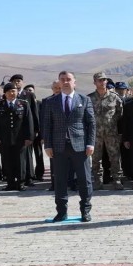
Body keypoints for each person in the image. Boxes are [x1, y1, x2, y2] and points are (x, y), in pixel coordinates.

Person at [42, 71, 96, 222]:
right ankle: (61, 212)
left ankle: (85, 210)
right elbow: (47, 125)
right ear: (59, 82)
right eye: (62, 80)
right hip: (59, 147)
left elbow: (91, 123)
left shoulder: (84, 99)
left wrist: (90, 143)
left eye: (68, 79)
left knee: (84, 180)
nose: (65, 82)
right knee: (60, 180)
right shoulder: (51, 102)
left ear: (74, 82)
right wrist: (48, 145)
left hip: (80, 146)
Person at [0, 82, 34, 191]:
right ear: (5, 93)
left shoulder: (23, 104)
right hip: (4, 138)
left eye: (14, 91)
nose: (12, 93)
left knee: (20, 161)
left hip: (20, 138)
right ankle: (10, 183)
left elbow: (28, 121)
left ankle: (20, 183)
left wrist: (29, 137)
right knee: (7, 161)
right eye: (9, 91)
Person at [88, 72, 124, 190]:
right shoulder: (89, 98)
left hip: (111, 133)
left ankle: (117, 180)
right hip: (95, 134)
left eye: (104, 80)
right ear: (94, 82)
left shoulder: (114, 97)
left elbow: (120, 114)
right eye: (99, 80)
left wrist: (113, 126)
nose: (102, 82)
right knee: (95, 158)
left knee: (115, 157)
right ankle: (98, 181)